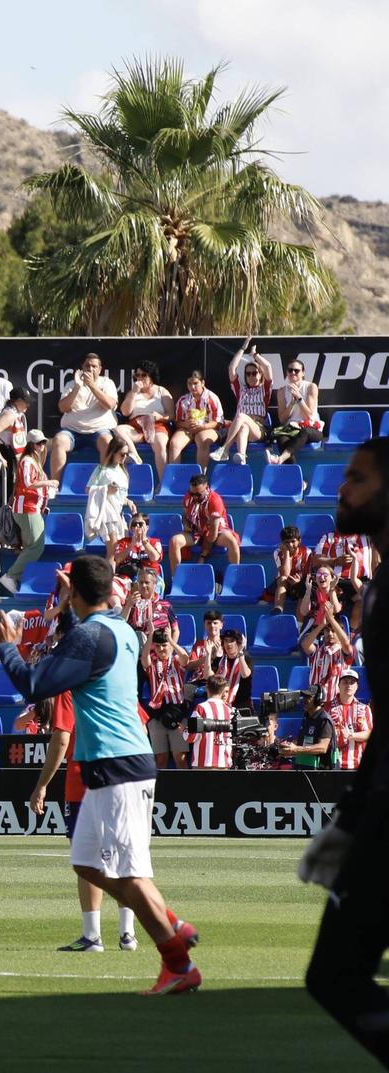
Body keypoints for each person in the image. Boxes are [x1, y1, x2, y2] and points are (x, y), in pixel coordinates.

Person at [2, 553, 203, 995]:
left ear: (73, 592)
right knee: (87, 862)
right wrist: (71, 605)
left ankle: (177, 961)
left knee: (128, 872)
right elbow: (86, 647)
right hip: (114, 761)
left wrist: (5, 646)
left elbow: (35, 685)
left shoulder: (91, 635)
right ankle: (172, 923)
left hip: (117, 763)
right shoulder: (122, 630)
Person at [299, 437, 389, 1059]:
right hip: (383, 808)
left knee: (334, 973)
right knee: (333, 975)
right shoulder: (377, 588)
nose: (342, 488)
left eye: (356, 478)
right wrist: (352, 815)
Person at [38, 690, 141, 953]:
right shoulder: (118, 683)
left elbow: (61, 739)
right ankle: (127, 933)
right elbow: (141, 729)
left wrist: (41, 785)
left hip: (83, 783)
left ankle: (92, 936)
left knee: (88, 862)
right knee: (121, 857)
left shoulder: (70, 689)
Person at [0, 430, 56, 595]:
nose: (42, 446)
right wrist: (49, 482)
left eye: (44, 443)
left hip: (32, 509)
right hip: (27, 509)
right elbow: (28, 484)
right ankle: (11, 575)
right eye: (39, 443)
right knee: (35, 547)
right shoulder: (27, 461)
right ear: (31, 445)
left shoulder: (33, 461)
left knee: (31, 546)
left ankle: (15, 576)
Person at [164, 470, 240, 575]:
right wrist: (186, 524)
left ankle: (235, 576)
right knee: (174, 541)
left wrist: (203, 555)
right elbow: (185, 514)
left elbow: (212, 535)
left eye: (198, 494)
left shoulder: (215, 501)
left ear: (207, 488)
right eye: (192, 493)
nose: (194, 497)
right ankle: (175, 578)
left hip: (216, 531)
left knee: (232, 541)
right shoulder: (188, 496)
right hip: (196, 529)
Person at [165, 370, 224, 468]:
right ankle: (174, 479)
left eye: (195, 383)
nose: (192, 387)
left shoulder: (212, 398)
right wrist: (186, 424)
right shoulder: (183, 400)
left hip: (208, 428)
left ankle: (201, 479)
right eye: (189, 384)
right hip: (188, 429)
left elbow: (218, 422)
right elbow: (177, 422)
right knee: (174, 443)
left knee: (202, 439)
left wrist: (203, 426)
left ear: (202, 383)